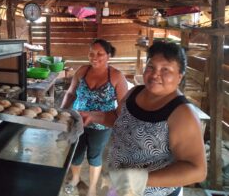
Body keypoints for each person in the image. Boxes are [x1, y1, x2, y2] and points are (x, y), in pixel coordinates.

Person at [80, 42, 207, 196]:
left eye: (165, 70)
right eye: (151, 67)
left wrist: (140, 179)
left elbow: (197, 170)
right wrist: (92, 116)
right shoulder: (135, 92)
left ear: (179, 76)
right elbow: (117, 118)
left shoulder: (182, 114)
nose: (155, 75)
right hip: (122, 186)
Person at [61, 38, 128, 196]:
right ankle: (76, 179)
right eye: (91, 53)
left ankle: (92, 188)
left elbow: (123, 108)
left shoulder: (117, 76)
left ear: (108, 55)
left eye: (100, 54)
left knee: (94, 155)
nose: (94, 57)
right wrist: (61, 111)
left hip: (101, 125)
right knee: (76, 152)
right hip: (78, 121)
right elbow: (70, 93)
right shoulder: (82, 71)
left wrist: (106, 119)